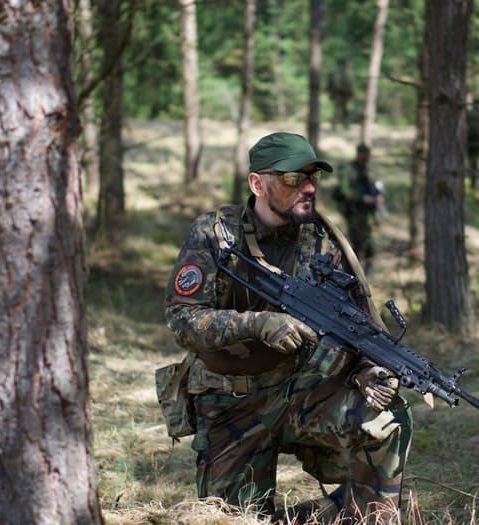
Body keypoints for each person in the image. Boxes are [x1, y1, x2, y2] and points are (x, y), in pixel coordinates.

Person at [164, 132, 412, 524]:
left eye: (312, 177)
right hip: (233, 403)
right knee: (240, 517)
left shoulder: (323, 242)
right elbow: (183, 320)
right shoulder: (215, 234)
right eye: (294, 179)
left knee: (386, 417)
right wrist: (258, 324)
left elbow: (357, 324)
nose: (308, 188)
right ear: (257, 184)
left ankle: (371, 516)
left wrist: (368, 369)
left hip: (300, 393)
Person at [331, 143, 384, 272]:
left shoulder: (369, 170)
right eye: (364, 154)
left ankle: (368, 271)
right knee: (357, 244)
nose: (366, 157)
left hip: (370, 212)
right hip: (355, 212)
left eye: (368, 155)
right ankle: (354, 273)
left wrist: (379, 196)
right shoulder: (349, 170)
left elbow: (377, 187)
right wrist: (364, 198)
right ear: (359, 154)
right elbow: (345, 191)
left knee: (372, 243)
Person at [327, 59, 354, 129]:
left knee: (344, 110)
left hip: (344, 94)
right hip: (339, 94)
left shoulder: (346, 72)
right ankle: (335, 125)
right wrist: (344, 91)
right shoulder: (339, 72)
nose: (349, 65)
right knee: (338, 110)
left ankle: (345, 125)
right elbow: (337, 84)